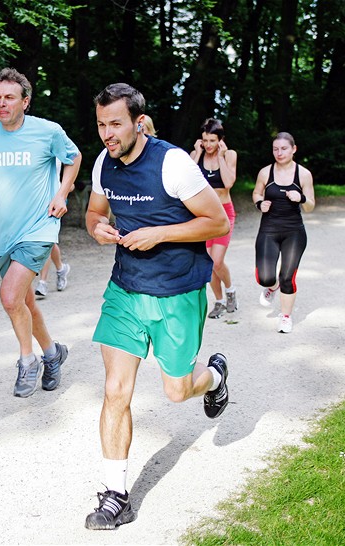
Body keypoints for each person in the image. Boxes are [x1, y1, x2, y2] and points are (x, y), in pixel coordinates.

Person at [84, 83, 231, 530]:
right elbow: (93, 213)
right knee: (115, 390)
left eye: (116, 124)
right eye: (101, 124)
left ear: (137, 121)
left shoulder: (172, 163)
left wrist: (159, 233)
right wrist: (98, 229)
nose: (107, 134)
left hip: (176, 291)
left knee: (175, 390)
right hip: (125, 289)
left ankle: (215, 376)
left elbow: (217, 220)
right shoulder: (102, 164)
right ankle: (115, 493)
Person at [0, 67, 82, 398]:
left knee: (10, 297)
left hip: (39, 228)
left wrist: (62, 193)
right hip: (2, 234)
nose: (2, 104)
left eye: (9, 98)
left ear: (25, 102)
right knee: (25, 301)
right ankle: (53, 353)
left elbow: (74, 158)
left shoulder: (48, 131)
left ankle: (28, 360)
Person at [252, 132, 315, 333]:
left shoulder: (303, 174)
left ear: (293, 149)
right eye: (275, 149)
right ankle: (272, 286)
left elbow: (311, 206)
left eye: (284, 148)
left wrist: (301, 198)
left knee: (288, 277)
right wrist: (259, 203)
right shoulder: (265, 173)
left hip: (294, 231)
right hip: (268, 229)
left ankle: (285, 316)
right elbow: (256, 193)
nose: (279, 153)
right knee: (265, 277)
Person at [190, 118, 239, 319]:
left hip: (224, 212)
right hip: (202, 213)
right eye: (205, 140)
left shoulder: (229, 155)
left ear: (220, 140)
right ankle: (218, 301)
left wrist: (220, 155)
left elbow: (228, 183)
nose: (208, 145)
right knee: (207, 262)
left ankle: (230, 291)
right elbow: (185, 179)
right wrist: (198, 153)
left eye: (212, 141)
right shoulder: (196, 155)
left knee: (217, 261)